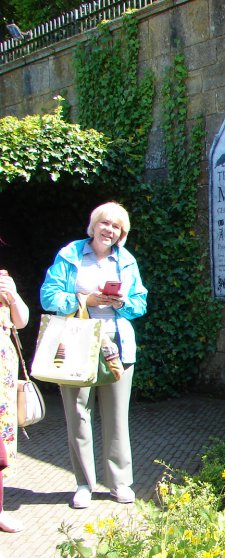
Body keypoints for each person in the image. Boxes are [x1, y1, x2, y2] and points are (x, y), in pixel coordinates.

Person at [41, 202, 148, 509]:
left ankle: (119, 483)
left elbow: (140, 304)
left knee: (116, 419)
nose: (109, 230)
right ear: (94, 225)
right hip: (76, 344)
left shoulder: (126, 261)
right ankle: (83, 484)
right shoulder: (69, 255)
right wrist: (85, 299)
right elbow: (48, 295)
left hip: (117, 347)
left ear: (121, 234)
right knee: (77, 416)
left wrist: (121, 302)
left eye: (116, 227)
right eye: (105, 223)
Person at [0, 267, 28, 534]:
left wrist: (13, 295)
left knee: (0, 444)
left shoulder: (3, 278)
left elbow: (21, 321)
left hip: (3, 375)